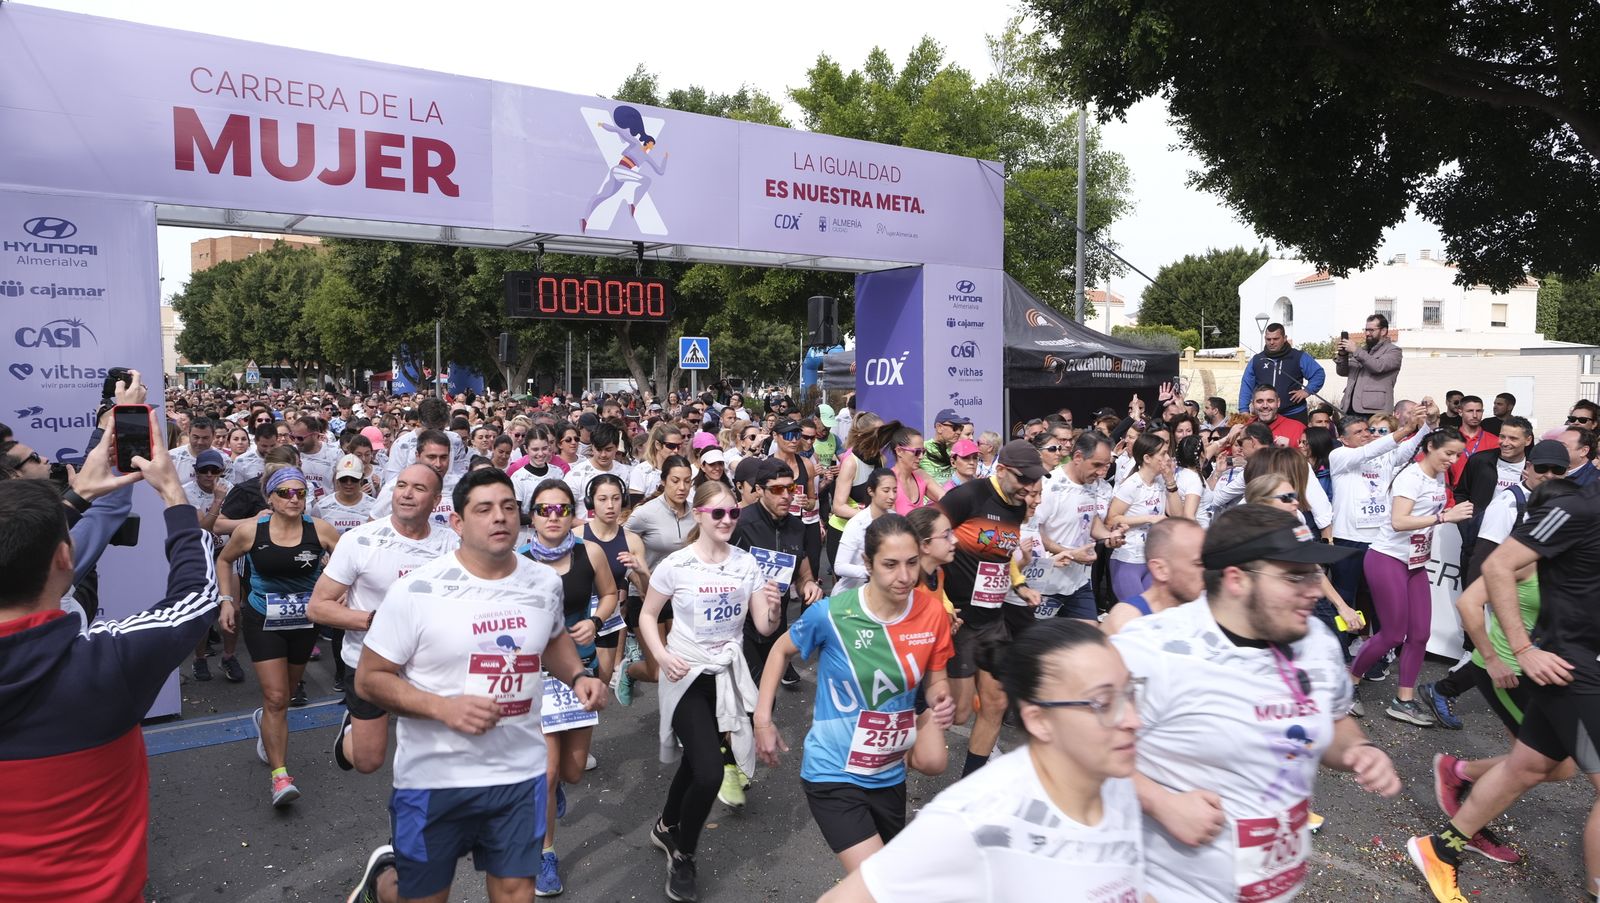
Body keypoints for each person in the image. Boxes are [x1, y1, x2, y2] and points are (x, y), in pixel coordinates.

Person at [1112, 504, 1400, 902]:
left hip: (1273, 888)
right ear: (1236, 579)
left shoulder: (1314, 640)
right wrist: (1159, 802)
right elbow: (1069, 750)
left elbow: (1330, 719)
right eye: (1294, 576)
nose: (1314, 590)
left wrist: (1358, 750)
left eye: (1315, 574)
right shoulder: (1152, 650)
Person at [346, 468, 606, 903]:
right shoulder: (416, 591)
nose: (499, 517)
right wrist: (443, 708)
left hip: (520, 772)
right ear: (459, 523)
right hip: (435, 777)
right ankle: (383, 882)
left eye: (507, 507)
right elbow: (369, 679)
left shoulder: (542, 581)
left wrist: (578, 675)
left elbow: (553, 637)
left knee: (515, 891)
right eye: (484, 509)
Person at [0, 407, 221, 903]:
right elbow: (197, 597)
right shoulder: (107, 662)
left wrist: (77, 499)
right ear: (66, 559)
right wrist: (173, 496)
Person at [822, 620, 1147, 903]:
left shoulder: (1115, 785)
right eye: (1103, 703)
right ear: (1038, 720)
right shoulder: (977, 818)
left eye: (1130, 692)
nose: (1133, 719)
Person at [1407, 471, 1600, 903]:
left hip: (1569, 667)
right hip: (1561, 668)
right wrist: (1517, 650)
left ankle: (1441, 848)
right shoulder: (1577, 509)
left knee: (1531, 767)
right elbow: (1493, 568)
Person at [754, 514, 957, 873]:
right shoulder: (832, 614)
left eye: (911, 563)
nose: (905, 576)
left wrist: (941, 698)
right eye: (890, 565)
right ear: (868, 563)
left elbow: (936, 679)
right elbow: (780, 650)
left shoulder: (932, 614)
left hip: (888, 772)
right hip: (832, 771)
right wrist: (762, 720)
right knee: (878, 881)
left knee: (883, 882)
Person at [637, 482, 783, 903]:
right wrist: (662, 656)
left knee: (699, 762)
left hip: (726, 676)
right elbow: (648, 615)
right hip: (684, 675)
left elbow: (765, 627)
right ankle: (684, 854)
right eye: (717, 513)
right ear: (698, 514)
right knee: (710, 770)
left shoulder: (746, 564)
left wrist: (772, 607)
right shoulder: (676, 565)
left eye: (733, 513)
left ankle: (666, 826)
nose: (726, 520)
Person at [311, 463, 457, 777]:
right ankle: (350, 727)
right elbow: (318, 607)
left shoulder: (452, 545)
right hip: (369, 663)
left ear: (436, 500)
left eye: (419, 488)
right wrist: (375, 621)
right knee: (366, 761)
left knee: (437, 759)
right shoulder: (359, 541)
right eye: (401, 485)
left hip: (428, 668)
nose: (406, 494)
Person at [216, 465, 341, 806]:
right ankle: (280, 777)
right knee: (274, 697)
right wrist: (227, 601)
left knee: (283, 696)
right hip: (263, 618)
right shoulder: (250, 531)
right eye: (285, 493)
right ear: (270, 497)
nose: (294, 499)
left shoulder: (321, 530)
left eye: (300, 492)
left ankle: (266, 725)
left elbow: (351, 565)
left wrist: (339, 589)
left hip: (304, 621)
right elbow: (224, 561)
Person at [519, 478, 618, 896]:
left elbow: (611, 593)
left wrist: (594, 622)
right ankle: (545, 855)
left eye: (561, 509)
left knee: (573, 772)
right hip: (537, 675)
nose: (553, 517)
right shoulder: (517, 560)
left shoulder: (589, 551)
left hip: (582, 669)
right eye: (544, 509)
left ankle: (557, 787)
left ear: (573, 513)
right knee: (546, 772)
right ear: (533, 515)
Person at [1348, 429, 1472, 725]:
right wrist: (1444, 517)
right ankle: (1348, 684)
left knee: (1419, 634)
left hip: (1415, 563)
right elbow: (1399, 521)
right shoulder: (1410, 477)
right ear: (1430, 447)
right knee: (1392, 634)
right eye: (1448, 453)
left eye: (1457, 455)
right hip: (1387, 559)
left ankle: (1403, 701)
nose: (1453, 460)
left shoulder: (1438, 476)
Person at [938, 439, 1045, 777]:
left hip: (993, 617)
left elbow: (1002, 553)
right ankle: (909, 709)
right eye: (1023, 480)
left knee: (996, 702)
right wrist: (939, 601)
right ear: (1001, 470)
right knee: (957, 714)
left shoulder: (1016, 506)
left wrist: (1019, 584)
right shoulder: (967, 497)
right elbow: (926, 544)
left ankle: (969, 785)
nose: (1029, 489)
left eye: (1034, 481)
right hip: (959, 618)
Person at [1106, 433, 1181, 604]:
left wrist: (1170, 481)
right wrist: (1148, 518)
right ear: (1147, 458)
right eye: (1162, 453)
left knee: (1157, 612)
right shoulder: (1132, 485)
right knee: (1138, 613)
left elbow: (1178, 516)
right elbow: (1111, 519)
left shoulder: (1160, 482)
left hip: (1152, 558)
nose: (1168, 457)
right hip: (1128, 559)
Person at [1101, 517, 1205, 634]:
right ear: (1161, 569)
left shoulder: (1203, 613)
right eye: (1197, 564)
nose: (1205, 571)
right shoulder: (1126, 620)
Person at [1240, 322, 1326, 422]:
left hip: (1294, 414)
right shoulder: (1256, 360)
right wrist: (1243, 410)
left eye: (1276, 339)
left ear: (1284, 338)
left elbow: (1318, 374)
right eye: (1268, 339)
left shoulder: (1298, 356)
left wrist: (1307, 390)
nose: (1271, 342)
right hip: (1264, 415)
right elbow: (1246, 385)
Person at [833, 468, 898, 593]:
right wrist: (872, 571)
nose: (892, 496)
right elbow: (839, 567)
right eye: (886, 490)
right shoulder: (857, 523)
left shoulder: (896, 519)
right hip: (853, 593)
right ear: (871, 491)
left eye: (895, 491)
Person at [1336, 313, 1403, 417]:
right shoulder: (1362, 351)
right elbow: (1342, 372)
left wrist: (1355, 350)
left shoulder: (1394, 351)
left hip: (1374, 412)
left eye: (1371, 330)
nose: (1367, 333)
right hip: (1350, 408)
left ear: (1383, 331)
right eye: (1366, 330)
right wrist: (1342, 355)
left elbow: (1378, 367)